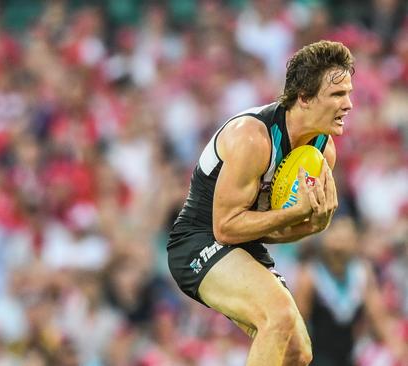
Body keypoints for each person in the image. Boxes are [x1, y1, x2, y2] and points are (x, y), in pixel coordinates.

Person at [167, 40, 353, 365]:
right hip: (197, 240)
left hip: (244, 243)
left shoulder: (323, 152)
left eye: (349, 93)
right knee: (278, 316)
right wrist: (296, 213)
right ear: (305, 98)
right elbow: (225, 228)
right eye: (338, 95)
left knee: (297, 353)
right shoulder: (253, 137)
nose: (349, 104)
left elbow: (272, 231)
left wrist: (312, 224)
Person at [294, 215, 407, 366]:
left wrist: (397, 347)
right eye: (335, 232)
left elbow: (377, 316)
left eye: (346, 234)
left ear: (355, 240)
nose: (340, 238)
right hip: (318, 358)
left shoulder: (361, 273)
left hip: (349, 357)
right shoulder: (310, 276)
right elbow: (297, 324)